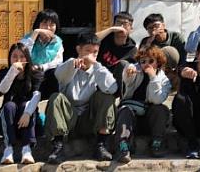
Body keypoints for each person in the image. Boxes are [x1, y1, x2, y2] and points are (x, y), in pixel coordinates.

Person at [46, 32, 118, 164]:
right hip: (69, 119)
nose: (91, 55)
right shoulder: (69, 65)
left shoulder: (98, 69)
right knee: (56, 98)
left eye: (95, 52)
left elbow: (112, 88)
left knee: (106, 97)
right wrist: (72, 66)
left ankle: (101, 145)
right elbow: (59, 75)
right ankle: (58, 147)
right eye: (88, 51)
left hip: (88, 120)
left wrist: (96, 65)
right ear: (79, 49)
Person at [114, 46, 172, 163]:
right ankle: (123, 146)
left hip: (149, 120)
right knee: (125, 110)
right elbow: (127, 77)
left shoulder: (164, 80)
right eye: (143, 61)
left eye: (151, 61)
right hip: (131, 118)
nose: (147, 64)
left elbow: (156, 99)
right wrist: (129, 71)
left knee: (160, 109)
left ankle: (157, 142)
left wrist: (153, 77)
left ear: (158, 63)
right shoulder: (135, 71)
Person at [0, 42, 43, 165]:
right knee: (9, 105)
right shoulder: (4, 73)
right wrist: (13, 72)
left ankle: (26, 150)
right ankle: (8, 149)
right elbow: (2, 90)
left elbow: (37, 95)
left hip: (28, 120)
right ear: (10, 58)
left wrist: (27, 113)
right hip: (8, 121)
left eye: (22, 56)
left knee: (26, 104)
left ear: (27, 58)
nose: (18, 60)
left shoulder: (35, 73)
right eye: (15, 56)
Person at [20, 8, 63, 99]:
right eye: (44, 24)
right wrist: (35, 33)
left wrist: (42, 66)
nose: (48, 28)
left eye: (52, 25)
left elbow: (58, 61)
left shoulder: (58, 42)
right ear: (38, 24)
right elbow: (23, 53)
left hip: (46, 74)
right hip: (29, 73)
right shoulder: (28, 38)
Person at [96, 11, 138, 91]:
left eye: (125, 24)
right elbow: (90, 40)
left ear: (131, 29)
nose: (121, 27)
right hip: (97, 78)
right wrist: (110, 29)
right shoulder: (105, 39)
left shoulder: (132, 50)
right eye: (118, 23)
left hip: (116, 84)